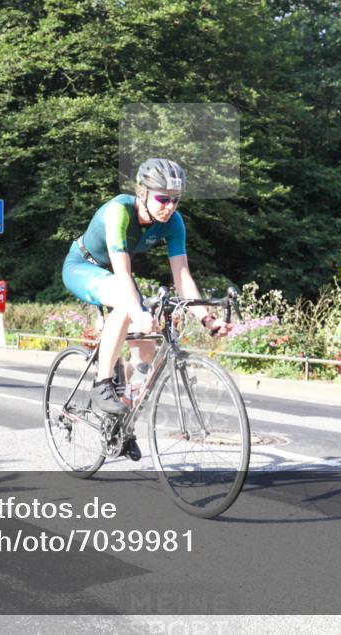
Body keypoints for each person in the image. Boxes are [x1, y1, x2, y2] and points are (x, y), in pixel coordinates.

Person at [62, 158, 231, 458]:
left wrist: (207, 318)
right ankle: (102, 384)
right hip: (84, 266)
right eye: (162, 198)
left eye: (175, 200)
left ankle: (121, 421)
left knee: (146, 348)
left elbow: (182, 277)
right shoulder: (118, 212)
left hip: (115, 275)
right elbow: (123, 274)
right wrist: (138, 311)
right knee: (129, 308)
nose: (169, 206)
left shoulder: (174, 224)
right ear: (142, 193)